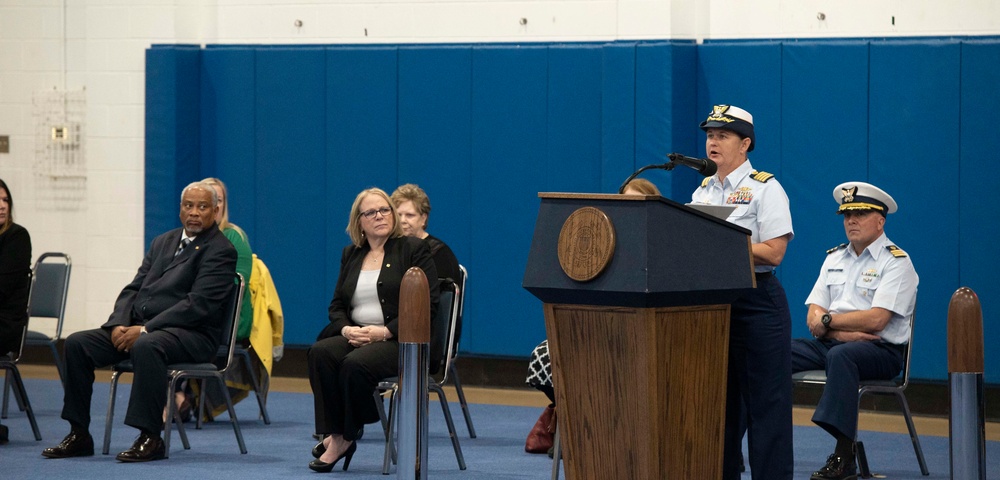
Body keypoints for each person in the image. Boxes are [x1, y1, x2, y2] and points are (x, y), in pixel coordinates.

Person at [41, 181, 237, 462]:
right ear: (180, 210)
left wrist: (145, 328)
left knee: (147, 345)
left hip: (192, 336)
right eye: (188, 206)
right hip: (144, 329)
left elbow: (198, 306)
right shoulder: (163, 242)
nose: (194, 212)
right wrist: (119, 324)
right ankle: (79, 433)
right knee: (77, 344)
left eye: (202, 207)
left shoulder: (220, 250)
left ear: (216, 211)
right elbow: (133, 289)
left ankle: (150, 437)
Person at [690, 104, 794, 480]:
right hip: (715, 304)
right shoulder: (702, 191)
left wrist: (724, 244)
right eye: (709, 135)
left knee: (767, 406)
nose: (712, 142)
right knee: (720, 407)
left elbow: (775, 251)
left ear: (745, 144)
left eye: (722, 136)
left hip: (758, 304)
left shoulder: (766, 189)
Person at [524, 178, 661, 456]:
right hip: (598, 326)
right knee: (544, 354)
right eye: (624, 202)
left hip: (639, 332)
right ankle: (572, 419)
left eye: (635, 203)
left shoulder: (657, 244)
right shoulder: (605, 243)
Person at [792, 182, 918, 480]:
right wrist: (834, 330)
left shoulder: (897, 262)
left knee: (843, 356)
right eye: (847, 214)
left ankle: (844, 455)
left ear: (880, 221)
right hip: (836, 343)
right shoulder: (834, 257)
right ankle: (748, 441)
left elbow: (876, 321)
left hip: (880, 351)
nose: (851, 220)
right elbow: (813, 313)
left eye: (860, 213)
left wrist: (828, 324)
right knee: (774, 353)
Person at [308, 187, 438, 472]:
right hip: (357, 335)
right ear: (359, 222)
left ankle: (345, 437)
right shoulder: (351, 254)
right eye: (372, 212)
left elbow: (426, 305)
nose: (380, 216)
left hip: (400, 340)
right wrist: (345, 331)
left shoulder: (413, 249)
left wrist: (384, 332)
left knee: (354, 366)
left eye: (385, 209)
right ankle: (337, 434)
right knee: (320, 353)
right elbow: (337, 306)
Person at [190, 177, 257, 422]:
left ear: (221, 206)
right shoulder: (188, 238)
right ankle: (177, 397)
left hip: (229, 316)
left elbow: (234, 287)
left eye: (216, 200)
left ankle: (179, 397)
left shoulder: (234, 237)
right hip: (200, 312)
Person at [0, 178, 32, 445]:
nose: (1, 206)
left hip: (6, 325)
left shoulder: (17, 237)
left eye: (5, 200)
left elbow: (2, 288)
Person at [390, 183, 461, 283]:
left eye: (409, 215)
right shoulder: (388, 249)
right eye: (398, 215)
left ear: (423, 218)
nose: (402, 220)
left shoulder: (439, 253)